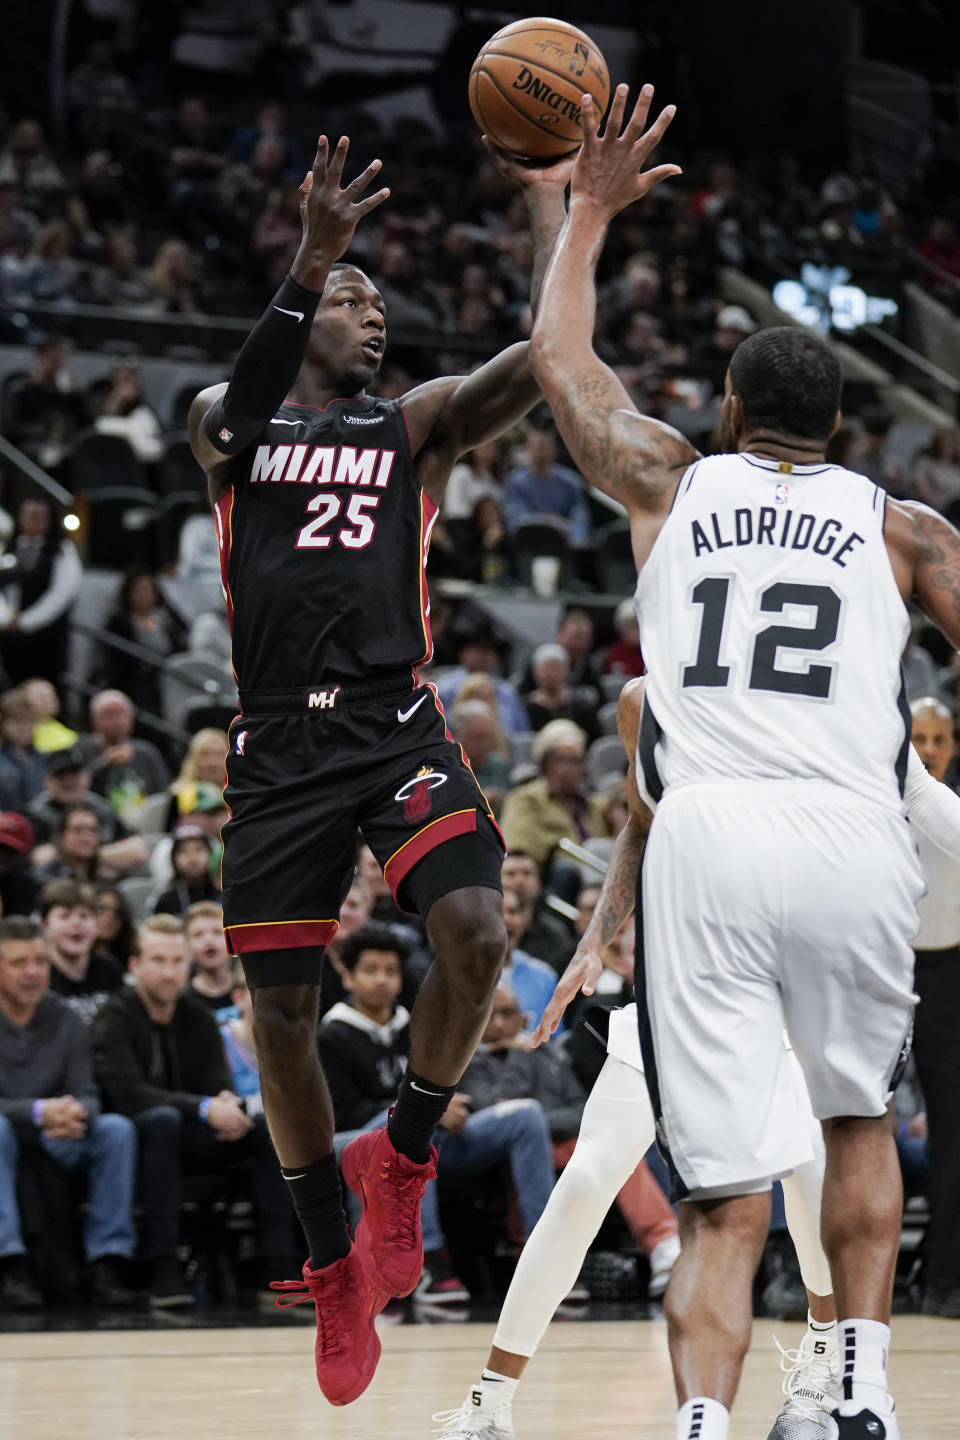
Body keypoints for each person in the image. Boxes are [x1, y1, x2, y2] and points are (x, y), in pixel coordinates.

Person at [525, 81, 960, 1440]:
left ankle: (704, 1421)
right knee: (857, 1123)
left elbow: (563, 367)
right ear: (839, 429)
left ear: (723, 409)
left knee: (721, 1193)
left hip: (706, 840)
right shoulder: (903, 528)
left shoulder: (670, 480)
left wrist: (586, 213)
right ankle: (866, 1389)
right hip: (846, 830)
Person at [185, 129, 573, 1402]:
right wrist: (314, 258)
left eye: (378, 303)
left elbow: (547, 361)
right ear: (303, 316)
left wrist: (556, 212)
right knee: (281, 1021)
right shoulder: (227, 425)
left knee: (472, 928)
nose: (372, 317)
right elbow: (232, 412)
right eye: (352, 302)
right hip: (277, 744)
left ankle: (402, 1157)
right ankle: (333, 1264)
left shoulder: (413, 427)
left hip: (393, 717)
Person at [436, 676, 960, 1440]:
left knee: (809, 1168)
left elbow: (907, 800)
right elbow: (641, 828)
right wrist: (596, 937)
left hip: (786, 973)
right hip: (683, 976)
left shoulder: (815, 688)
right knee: (585, 1179)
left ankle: (818, 1374)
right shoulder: (644, 701)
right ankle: (489, 1403)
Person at [92, 914, 298, 1307]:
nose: (170, 972)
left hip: (192, 1129)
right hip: (136, 1135)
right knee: (162, 1122)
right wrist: (204, 1107)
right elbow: (127, 1093)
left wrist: (226, 1108)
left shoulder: (198, 1017)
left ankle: (278, 1264)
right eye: (158, 961)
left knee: (265, 1128)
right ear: (135, 966)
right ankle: (163, 1266)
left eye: (176, 961)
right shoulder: (114, 1017)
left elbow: (217, 1085)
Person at [0, 915, 136, 1311]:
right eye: (18, 963)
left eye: (40, 962)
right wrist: (40, 1111)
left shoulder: (66, 1017)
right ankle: (9, 1263)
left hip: (58, 1136)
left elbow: (89, 1092)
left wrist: (77, 1113)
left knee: (116, 1130)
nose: (32, 972)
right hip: (10, 1136)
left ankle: (108, 1260)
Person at [907, 697, 960, 1316]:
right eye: (917, 735)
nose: (927, 747)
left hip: (948, 974)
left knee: (952, 1130)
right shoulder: (883, 796)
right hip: (884, 967)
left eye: (937, 738)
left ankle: (943, 1274)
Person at [499, 720, 608, 871]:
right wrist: (559, 847)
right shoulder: (524, 798)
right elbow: (517, 843)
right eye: (562, 761)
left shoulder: (593, 802)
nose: (571, 769)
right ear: (546, 763)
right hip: (553, 875)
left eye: (576, 761)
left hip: (597, 872)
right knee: (564, 869)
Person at [0, 497, 82, 685]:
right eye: (29, 515)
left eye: (39, 516)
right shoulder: (7, 549)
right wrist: (4, 618)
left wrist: (27, 622)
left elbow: (61, 594)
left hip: (45, 637)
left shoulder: (61, 551)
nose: (34, 520)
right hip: (8, 635)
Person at [96, 570, 186, 715]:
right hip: (136, 683)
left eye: (148, 590)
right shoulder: (119, 623)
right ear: (127, 594)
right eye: (138, 591)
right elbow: (118, 661)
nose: (144, 596)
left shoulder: (167, 619)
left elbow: (182, 643)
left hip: (166, 678)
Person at [76, 689, 170, 824]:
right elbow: (76, 790)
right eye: (108, 715)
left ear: (131, 720)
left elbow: (163, 793)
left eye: (122, 714)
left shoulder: (146, 752)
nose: (117, 721)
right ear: (94, 720)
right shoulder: (80, 749)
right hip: (98, 824)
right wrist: (103, 763)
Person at [41, 878, 124, 1025]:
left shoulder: (110, 968)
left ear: (96, 924)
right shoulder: (38, 976)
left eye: (84, 916)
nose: (76, 923)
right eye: (65, 916)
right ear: (44, 925)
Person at [503, 424, 590, 543]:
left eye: (542, 447)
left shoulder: (571, 481)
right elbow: (514, 522)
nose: (538, 453)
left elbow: (581, 523)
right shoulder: (515, 481)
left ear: (554, 449)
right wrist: (547, 520)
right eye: (533, 447)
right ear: (526, 450)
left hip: (563, 545)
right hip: (528, 544)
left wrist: (577, 540)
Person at [523, 643, 601, 742]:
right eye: (546, 669)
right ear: (535, 672)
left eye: (556, 668)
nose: (552, 674)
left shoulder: (581, 706)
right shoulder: (526, 708)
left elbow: (594, 739)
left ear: (567, 670)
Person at [151, 822, 219, 916]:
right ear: (173, 859)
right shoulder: (166, 897)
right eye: (183, 851)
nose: (192, 857)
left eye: (199, 850)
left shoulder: (221, 892)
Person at [185, 900, 236, 1018]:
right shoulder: (183, 1000)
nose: (208, 940)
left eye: (217, 932)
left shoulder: (249, 992)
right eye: (198, 934)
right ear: (187, 947)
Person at [0, 686, 47, 811]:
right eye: (17, 721)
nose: (24, 727)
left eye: (28, 720)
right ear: (3, 724)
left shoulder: (45, 758)